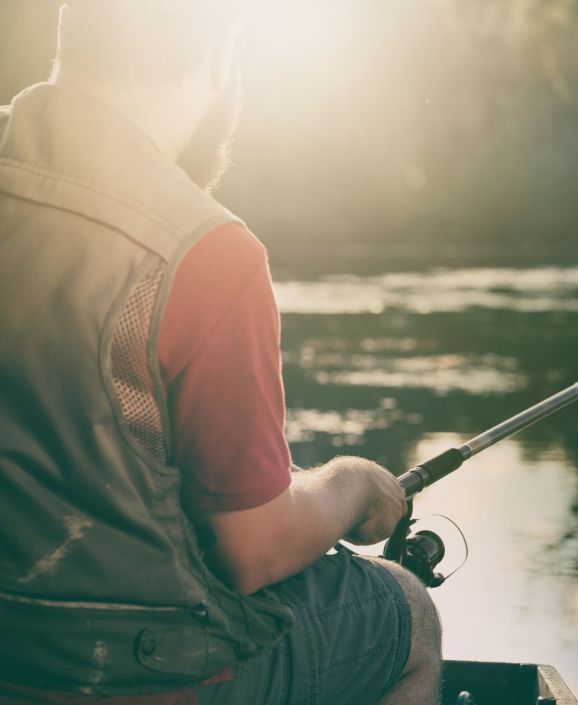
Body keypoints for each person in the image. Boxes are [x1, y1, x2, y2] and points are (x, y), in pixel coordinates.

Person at [0, 1, 442, 703]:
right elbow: (253, 550)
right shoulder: (206, 250)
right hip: (134, 672)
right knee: (408, 615)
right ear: (218, 59)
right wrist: (354, 482)